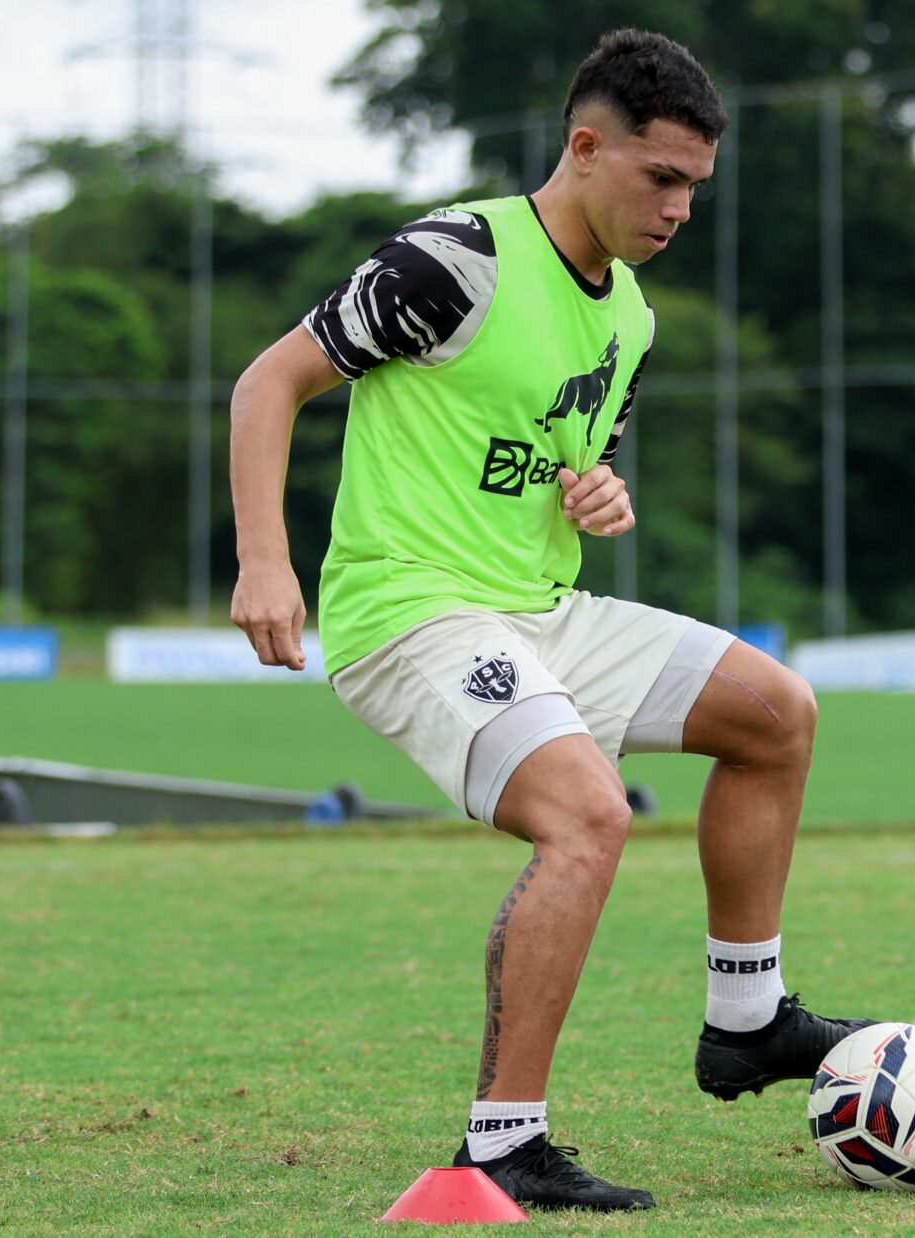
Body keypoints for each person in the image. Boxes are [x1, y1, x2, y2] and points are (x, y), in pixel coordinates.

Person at [229, 28, 872, 1214]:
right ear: (585, 148)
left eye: (695, 186)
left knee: (775, 710)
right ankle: (500, 1143)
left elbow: (567, 462)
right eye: (660, 178)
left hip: (541, 608)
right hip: (410, 610)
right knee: (586, 815)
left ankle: (746, 1019)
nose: (679, 208)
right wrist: (265, 561)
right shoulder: (454, 259)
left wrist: (601, 488)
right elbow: (269, 380)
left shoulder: (628, 315)